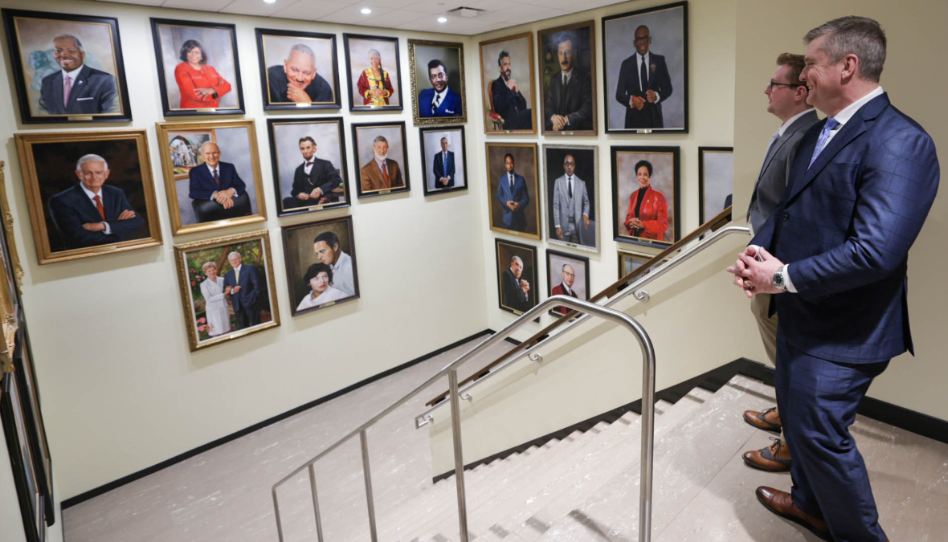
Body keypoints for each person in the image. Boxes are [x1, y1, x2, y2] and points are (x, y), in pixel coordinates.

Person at [728, 17, 938, 542]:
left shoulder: (901, 141)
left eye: (812, 67)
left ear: (848, 66)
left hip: (847, 330)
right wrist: (760, 256)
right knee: (797, 423)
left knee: (820, 434)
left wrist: (785, 275)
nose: (805, 80)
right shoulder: (820, 131)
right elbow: (793, 210)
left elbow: (876, 251)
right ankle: (809, 506)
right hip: (801, 313)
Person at [741, 53, 819, 475]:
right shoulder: (788, 132)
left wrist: (771, 271)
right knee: (779, 354)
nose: (767, 91)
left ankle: (791, 443)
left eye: (775, 84)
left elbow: (795, 213)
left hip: (780, 273)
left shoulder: (807, 136)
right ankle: (785, 414)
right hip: (766, 263)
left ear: (799, 93)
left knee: (789, 357)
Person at [47, 154, 144, 250]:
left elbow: (137, 222)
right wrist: (117, 227)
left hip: (118, 254)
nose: (94, 177)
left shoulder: (115, 194)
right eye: (88, 173)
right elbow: (79, 238)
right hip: (84, 258)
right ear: (78, 174)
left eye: (98, 172)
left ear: (106, 174)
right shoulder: (62, 200)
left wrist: (102, 226)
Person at [39, 34, 118, 115]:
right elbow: (42, 112)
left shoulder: (104, 80)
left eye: (71, 51)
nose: (64, 55)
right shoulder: (47, 81)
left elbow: (112, 112)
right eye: (58, 51)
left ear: (82, 54)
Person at [615, 25, 673, 129]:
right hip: (633, 122)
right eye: (638, 39)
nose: (642, 42)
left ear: (649, 40)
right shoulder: (626, 64)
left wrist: (656, 96)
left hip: (655, 120)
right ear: (634, 43)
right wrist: (632, 101)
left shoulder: (659, 61)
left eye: (644, 38)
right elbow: (619, 94)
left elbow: (668, 89)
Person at [188, 141, 252, 222]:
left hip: (234, 211)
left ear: (219, 154)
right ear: (203, 156)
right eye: (208, 153)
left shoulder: (229, 167)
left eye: (214, 152)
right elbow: (193, 192)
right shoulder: (195, 171)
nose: (211, 156)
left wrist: (229, 191)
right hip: (212, 215)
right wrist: (215, 195)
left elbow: (241, 184)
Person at [544, 36, 593, 131]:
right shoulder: (554, 79)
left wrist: (567, 119)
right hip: (556, 131)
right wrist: (554, 118)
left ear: (574, 54)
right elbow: (549, 106)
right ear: (557, 55)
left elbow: (587, 108)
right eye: (561, 53)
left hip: (578, 132)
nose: (564, 57)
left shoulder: (584, 77)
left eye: (568, 52)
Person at [283, 136, 343, 210]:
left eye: (308, 147)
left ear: (314, 148)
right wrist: (299, 195)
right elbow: (295, 190)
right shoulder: (298, 170)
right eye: (302, 148)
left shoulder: (325, 164)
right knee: (286, 202)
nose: (305, 151)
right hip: (303, 202)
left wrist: (320, 189)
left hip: (321, 199)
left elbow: (337, 180)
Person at [267, 43, 333, 104]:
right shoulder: (269, 77)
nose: (299, 78)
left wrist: (307, 103)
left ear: (313, 73)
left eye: (307, 73)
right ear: (285, 65)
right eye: (294, 70)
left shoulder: (323, 89)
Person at [174, 40, 231, 109]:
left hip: (214, 111)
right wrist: (218, 91)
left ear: (201, 56)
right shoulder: (181, 68)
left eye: (197, 52)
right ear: (185, 54)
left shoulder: (210, 69)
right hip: (193, 111)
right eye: (190, 51)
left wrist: (212, 90)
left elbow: (228, 86)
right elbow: (194, 94)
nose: (193, 55)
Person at [623, 160, 668, 241]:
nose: (642, 177)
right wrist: (631, 222)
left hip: (652, 243)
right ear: (637, 176)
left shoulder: (659, 196)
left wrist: (644, 224)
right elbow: (629, 217)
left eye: (645, 174)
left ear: (649, 176)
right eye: (639, 174)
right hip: (635, 240)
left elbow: (663, 224)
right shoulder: (633, 195)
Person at [552, 154, 591, 245]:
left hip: (577, 226)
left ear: (574, 166)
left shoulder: (581, 183)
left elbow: (586, 203)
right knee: (563, 253)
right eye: (567, 164)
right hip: (563, 226)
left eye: (571, 164)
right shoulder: (558, 182)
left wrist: (585, 214)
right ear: (564, 166)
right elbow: (556, 205)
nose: (569, 167)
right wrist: (557, 225)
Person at [491, 51, 533, 130]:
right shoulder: (496, 84)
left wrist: (517, 94)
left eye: (509, 64)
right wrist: (508, 89)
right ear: (500, 68)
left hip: (517, 119)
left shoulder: (511, 82)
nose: (508, 67)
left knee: (534, 113)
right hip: (507, 122)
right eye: (505, 64)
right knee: (531, 113)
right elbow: (499, 108)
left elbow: (523, 106)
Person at [222, 252, 260, 329]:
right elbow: (225, 289)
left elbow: (256, 284)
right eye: (231, 260)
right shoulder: (228, 275)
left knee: (256, 325)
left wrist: (255, 297)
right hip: (237, 305)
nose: (234, 261)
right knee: (243, 327)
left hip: (251, 302)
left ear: (240, 259)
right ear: (230, 262)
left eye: (236, 259)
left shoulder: (249, 268)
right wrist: (233, 291)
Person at [313, 231, 356, 297]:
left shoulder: (349, 266)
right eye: (317, 253)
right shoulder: (327, 267)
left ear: (335, 246)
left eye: (322, 251)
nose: (319, 257)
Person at [496, 153, 529, 232]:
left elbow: (526, 198)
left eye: (511, 163)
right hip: (507, 219)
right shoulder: (502, 179)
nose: (510, 165)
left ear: (514, 163)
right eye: (507, 163)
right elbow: (499, 195)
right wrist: (506, 203)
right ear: (505, 165)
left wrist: (519, 204)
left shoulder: (521, 179)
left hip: (520, 219)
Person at [199, 261, 232, 337]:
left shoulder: (222, 280)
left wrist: (229, 291)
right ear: (205, 273)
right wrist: (224, 294)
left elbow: (228, 290)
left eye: (213, 270)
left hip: (223, 307)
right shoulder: (204, 284)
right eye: (209, 271)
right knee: (216, 332)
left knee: (226, 330)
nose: (212, 272)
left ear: (216, 270)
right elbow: (209, 299)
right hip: (213, 310)